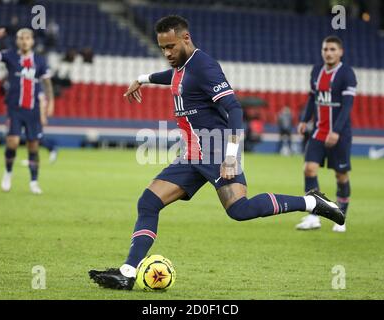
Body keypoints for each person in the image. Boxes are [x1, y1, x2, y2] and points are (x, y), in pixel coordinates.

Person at [89, 16, 345, 290]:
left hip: (216, 150)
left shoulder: (205, 66)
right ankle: (128, 272)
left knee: (240, 210)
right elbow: (174, 77)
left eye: (171, 47)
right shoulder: (182, 67)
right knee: (148, 202)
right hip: (192, 155)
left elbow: (234, 109)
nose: (167, 54)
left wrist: (231, 155)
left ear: (186, 38)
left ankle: (312, 203)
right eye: (162, 48)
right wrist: (142, 79)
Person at [295, 36, 357, 232]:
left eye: (332, 49)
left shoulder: (347, 74)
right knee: (309, 169)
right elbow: (312, 99)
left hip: (339, 134)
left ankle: (341, 217)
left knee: (340, 175)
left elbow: (347, 106)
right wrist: (305, 120)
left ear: (340, 52)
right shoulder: (316, 71)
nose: (328, 53)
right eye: (325, 49)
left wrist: (336, 131)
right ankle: (314, 216)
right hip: (318, 132)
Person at [0, 28, 54, 194]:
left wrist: (50, 104)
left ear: (32, 41)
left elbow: (47, 84)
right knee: (12, 142)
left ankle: (34, 182)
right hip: (15, 108)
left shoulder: (40, 61)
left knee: (33, 146)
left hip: (33, 109)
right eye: (21, 38)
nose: (24, 41)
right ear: (17, 41)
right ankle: (8, 173)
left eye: (27, 38)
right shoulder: (10, 56)